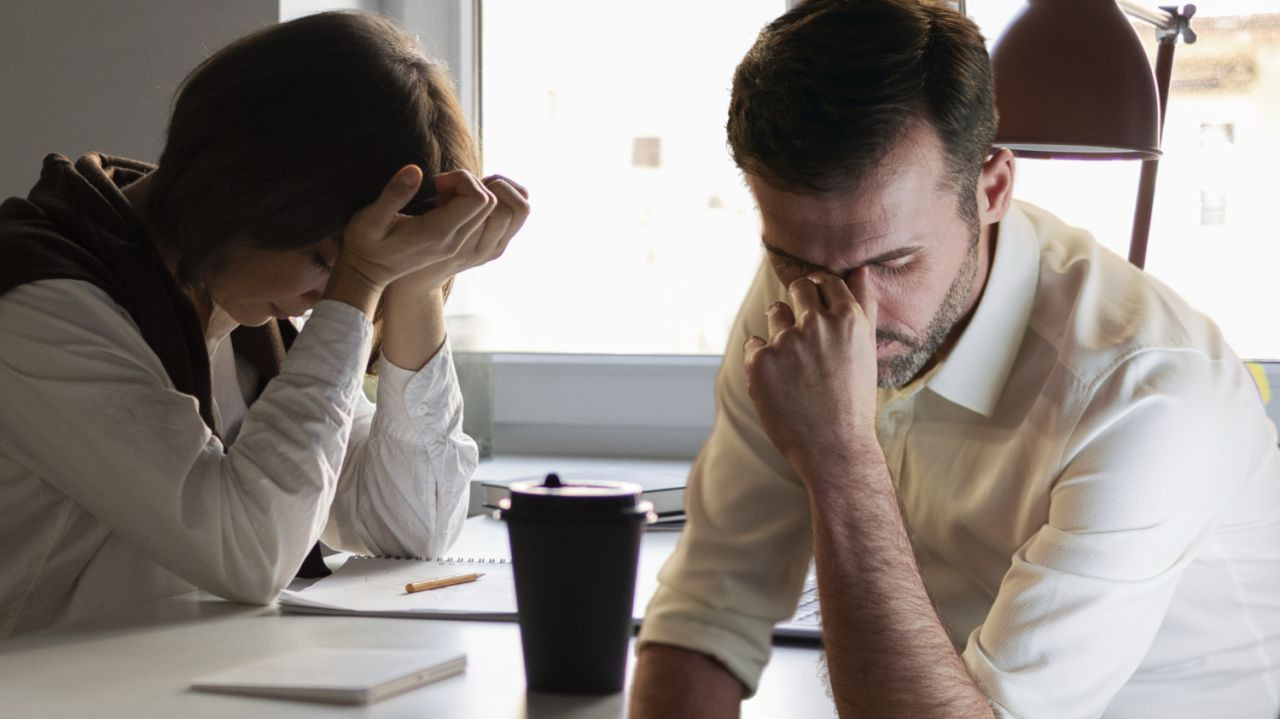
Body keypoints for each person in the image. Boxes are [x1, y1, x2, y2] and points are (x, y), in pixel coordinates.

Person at [631, 1, 1280, 717]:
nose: (853, 313)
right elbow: (709, 608)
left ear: (993, 188)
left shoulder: (1146, 396)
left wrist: (841, 456)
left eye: (895, 262)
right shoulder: (816, 281)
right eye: (796, 261)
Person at [0, 11, 528, 637]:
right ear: (249, 187)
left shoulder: (242, 314)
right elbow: (251, 552)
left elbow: (409, 530)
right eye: (323, 260)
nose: (321, 301)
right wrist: (359, 279)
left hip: (161, 677)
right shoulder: (40, 304)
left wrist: (414, 282)